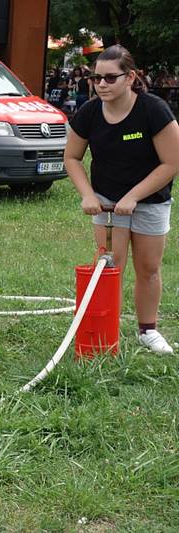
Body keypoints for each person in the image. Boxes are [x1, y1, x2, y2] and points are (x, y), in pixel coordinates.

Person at [64, 45, 179, 355]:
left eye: (109, 78)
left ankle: (148, 331)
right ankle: (104, 328)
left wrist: (133, 196)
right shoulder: (89, 112)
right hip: (107, 202)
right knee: (110, 266)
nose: (101, 85)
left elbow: (171, 163)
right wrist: (88, 194)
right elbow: (72, 157)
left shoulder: (153, 110)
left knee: (149, 268)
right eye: (96, 78)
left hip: (150, 200)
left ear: (129, 78)